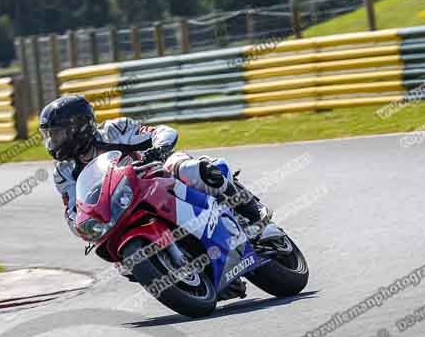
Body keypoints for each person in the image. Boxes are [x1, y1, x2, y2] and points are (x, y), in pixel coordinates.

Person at [39, 95, 271, 237]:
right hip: (124, 206)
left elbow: (163, 131)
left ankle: (251, 211)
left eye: (57, 135)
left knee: (196, 170)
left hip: (160, 177)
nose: (53, 142)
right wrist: (82, 226)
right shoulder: (64, 172)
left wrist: (158, 148)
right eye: (49, 136)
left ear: (77, 127)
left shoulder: (115, 130)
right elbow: (72, 212)